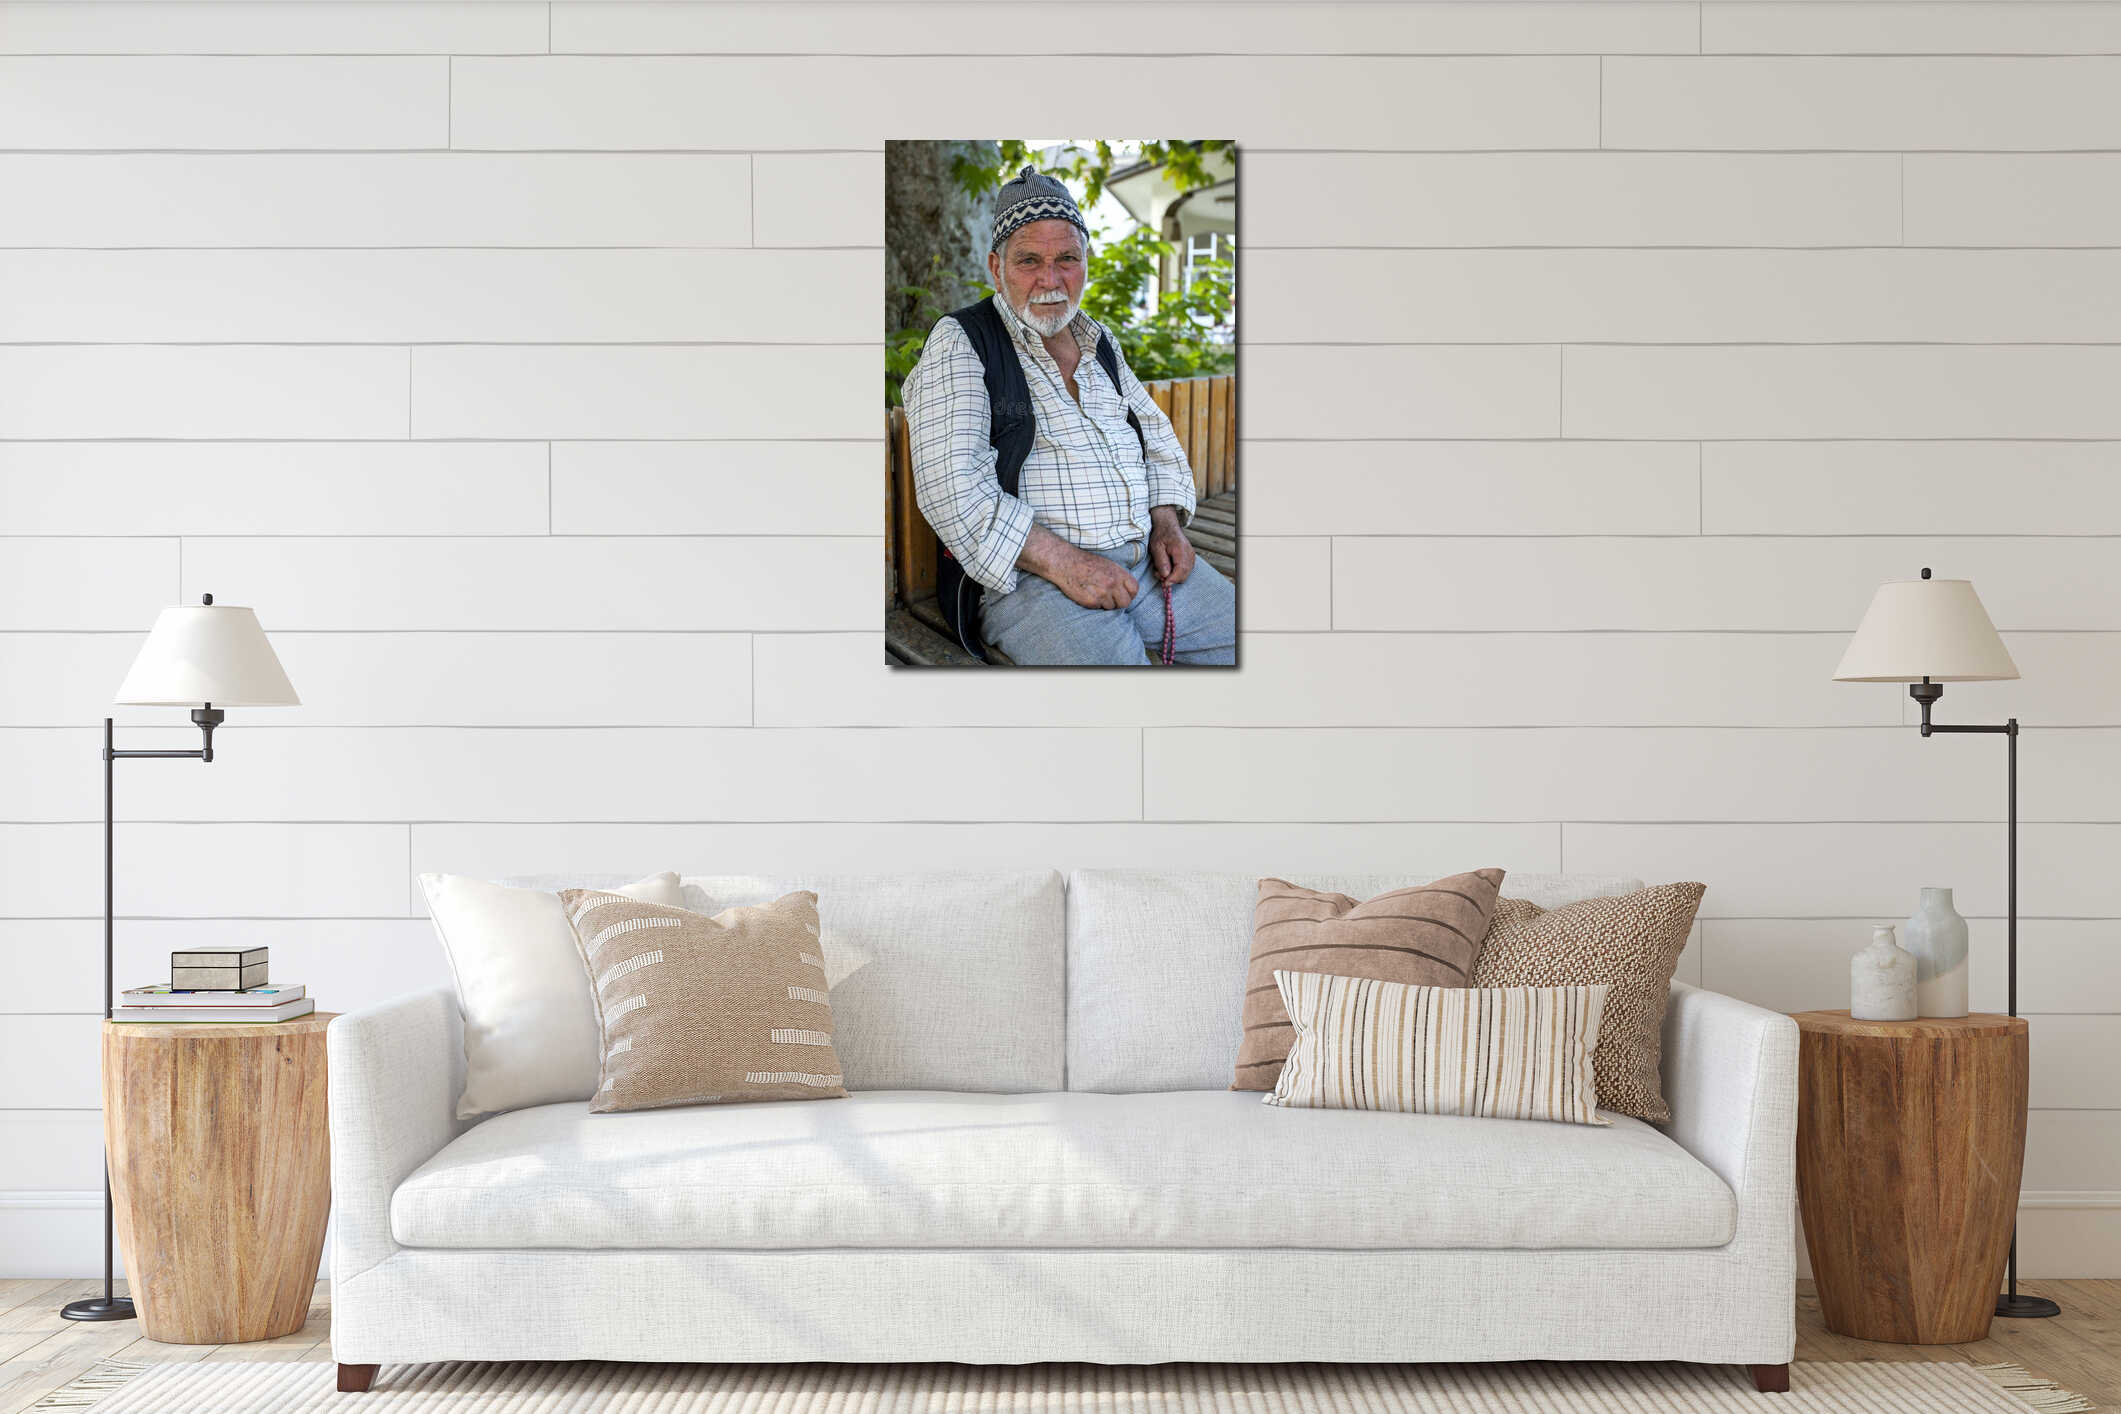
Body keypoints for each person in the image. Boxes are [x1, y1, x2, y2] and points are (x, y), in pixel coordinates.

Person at [903, 168, 1237, 666]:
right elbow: (952, 489)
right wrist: (1068, 565)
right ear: (996, 267)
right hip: (1034, 582)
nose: (1050, 280)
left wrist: (1167, 524)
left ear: (1086, 262)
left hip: (1147, 565)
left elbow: (1156, 436)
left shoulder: (1098, 342)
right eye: (1029, 261)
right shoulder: (963, 340)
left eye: (1067, 259)